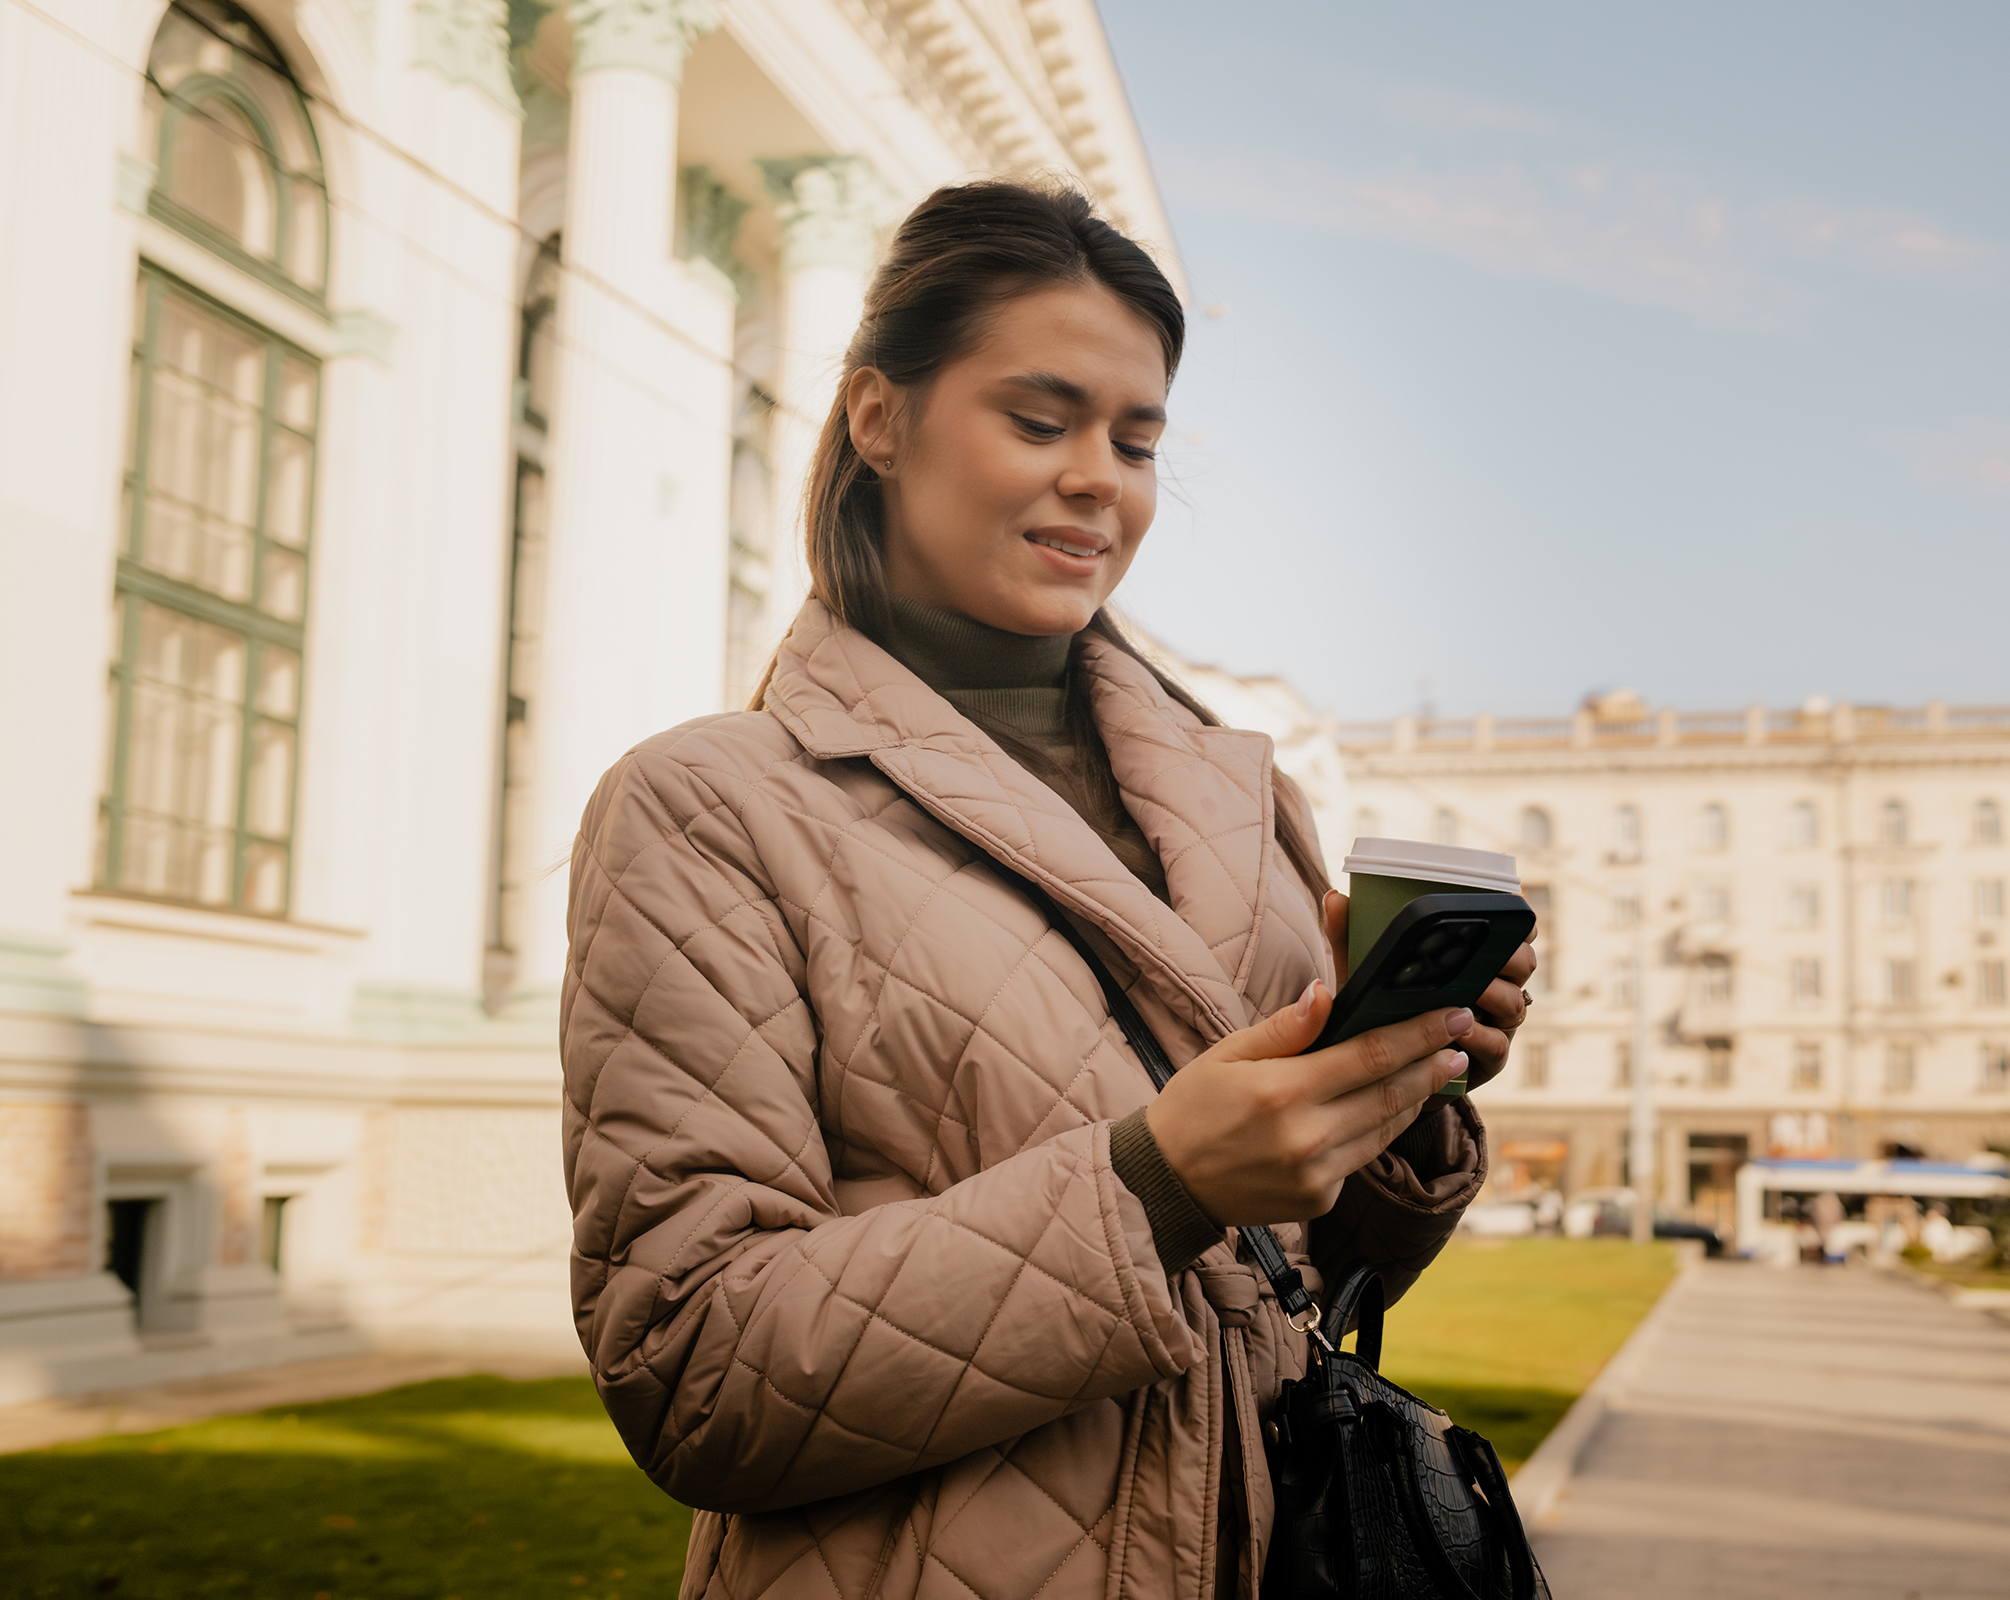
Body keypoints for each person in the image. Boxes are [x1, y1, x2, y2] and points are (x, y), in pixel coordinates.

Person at [558, 180, 1533, 1600]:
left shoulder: (1245, 797)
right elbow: (696, 1370)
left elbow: (1305, 1289)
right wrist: (1158, 1183)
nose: (1102, 478)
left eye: (1136, 441)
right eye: (1041, 420)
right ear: (878, 417)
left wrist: (1398, 1087)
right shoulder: (714, 804)